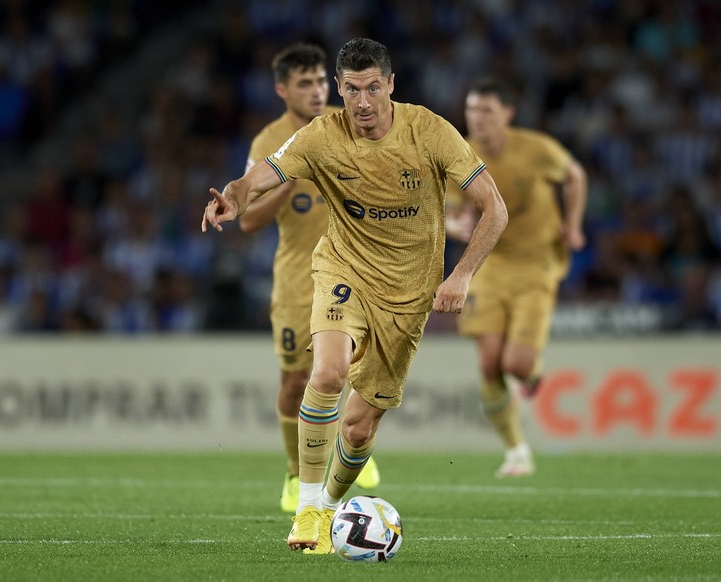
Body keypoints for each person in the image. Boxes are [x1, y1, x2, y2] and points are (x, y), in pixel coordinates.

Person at [202, 38, 508, 554]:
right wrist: (233, 195)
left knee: (360, 429)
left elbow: (494, 208)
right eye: (350, 90)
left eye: (372, 88)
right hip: (343, 268)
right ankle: (306, 510)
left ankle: (327, 507)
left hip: (409, 294)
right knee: (326, 373)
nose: (362, 102)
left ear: (391, 84)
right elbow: (261, 175)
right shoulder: (321, 135)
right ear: (339, 90)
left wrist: (461, 276)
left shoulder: (430, 131)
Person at [237, 42, 380, 514]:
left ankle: (352, 443)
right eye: (305, 83)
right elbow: (247, 220)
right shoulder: (268, 142)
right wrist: (289, 178)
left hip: (358, 269)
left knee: (359, 369)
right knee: (297, 381)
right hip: (300, 276)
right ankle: (297, 472)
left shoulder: (350, 124)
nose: (317, 91)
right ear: (282, 90)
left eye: (321, 81)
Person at [446, 77, 587, 478]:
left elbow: (575, 176)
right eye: (472, 110)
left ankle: (532, 375)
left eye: (487, 110)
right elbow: (454, 213)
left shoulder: (536, 149)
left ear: (508, 113)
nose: (478, 118)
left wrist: (573, 226)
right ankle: (516, 450)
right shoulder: (462, 153)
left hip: (537, 265)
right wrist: (457, 228)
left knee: (516, 363)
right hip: (488, 265)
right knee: (490, 363)